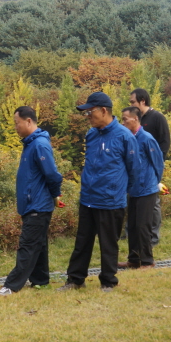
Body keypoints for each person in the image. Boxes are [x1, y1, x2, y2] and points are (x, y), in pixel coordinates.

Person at [59, 92, 138, 292]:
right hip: (88, 198)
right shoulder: (91, 134)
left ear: (104, 111)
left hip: (111, 200)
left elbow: (134, 169)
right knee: (82, 241)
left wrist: (117, 190)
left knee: (108, 244)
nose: (88, 117)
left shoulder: (124, 136)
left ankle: (108, 282)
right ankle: (75, 279)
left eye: (90, 112)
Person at [0, 106, 63, 296]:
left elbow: (52, 174)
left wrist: (56, 194)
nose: (16, 127)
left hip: (38, 205)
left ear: (29, 121)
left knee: (27, 246)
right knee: (38, 244)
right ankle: (40, 280)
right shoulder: (30, 144)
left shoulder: (39, 144)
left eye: (17, 123)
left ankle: (11, 286)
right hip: (32, 205)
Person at [119, 106, 163, 269]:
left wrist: (152, 182)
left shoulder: (146, 138)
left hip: (147, 188)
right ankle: (134, 259)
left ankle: (147, 261)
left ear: (135, 119)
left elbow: (158, 162)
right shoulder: (128, 138)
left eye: (125, 119)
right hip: (133, 188)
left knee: (143, 225)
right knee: (132, 224)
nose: (123, 122)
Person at [128, 88, 170, 247]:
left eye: (133, 102)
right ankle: (133, 235)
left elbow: (165, 142)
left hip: (153, 166)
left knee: (154, 203)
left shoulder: (157, 117)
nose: (131, 104)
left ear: (142, 101)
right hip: (136, 168)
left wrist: (157, 165)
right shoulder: (135, 119)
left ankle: (153, 237)